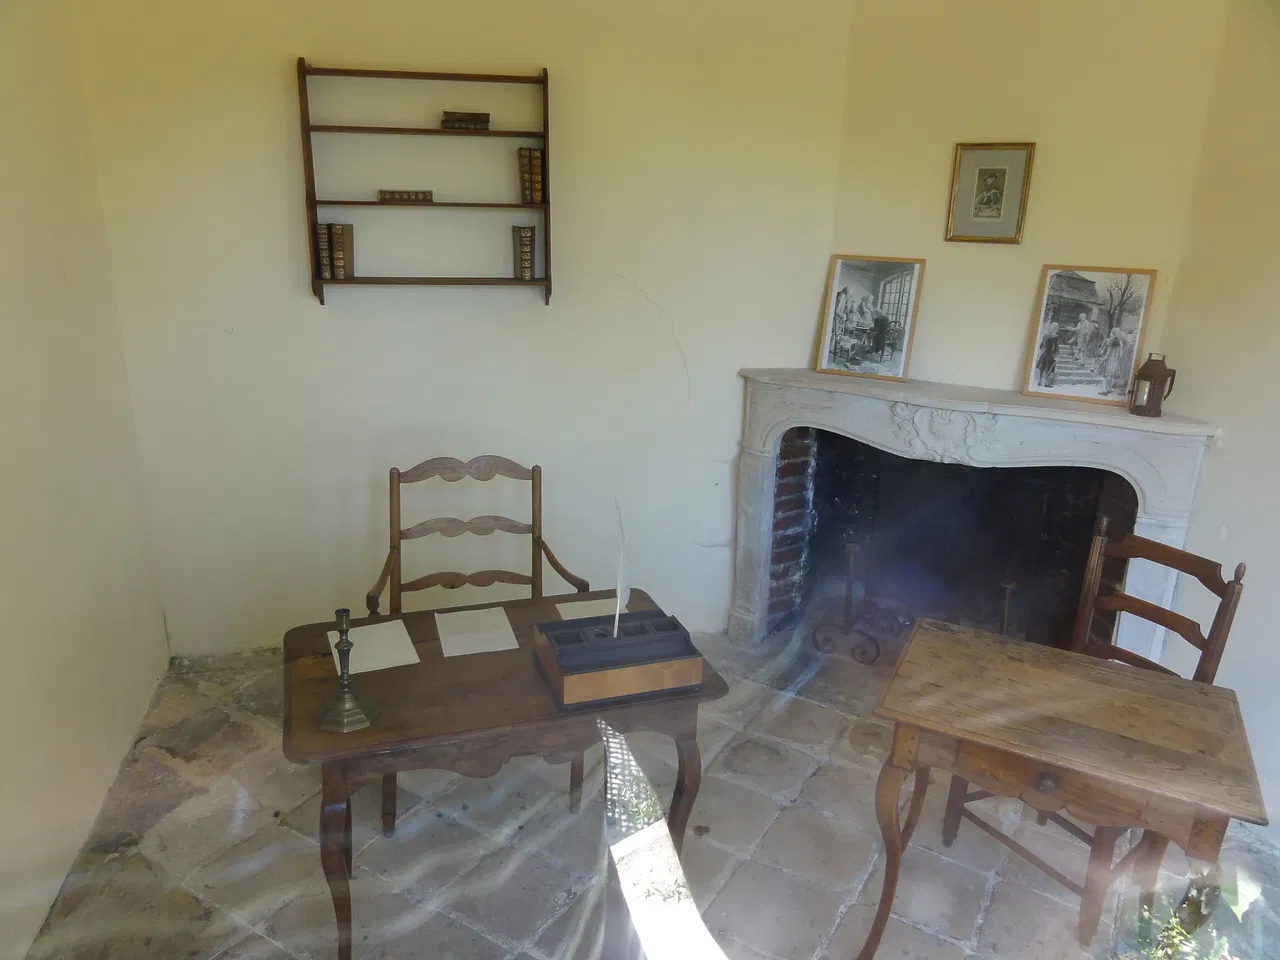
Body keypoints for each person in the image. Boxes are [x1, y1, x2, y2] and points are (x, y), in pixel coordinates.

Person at [1097, 327, 1130, 396]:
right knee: (1111, 375)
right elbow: (1121, 353)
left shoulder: (1109, 341)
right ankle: (1109, 388)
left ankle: (1105, 390)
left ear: (1112, 333)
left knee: (1105, 376)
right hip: (1116, 360)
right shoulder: (1120, 342)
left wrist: (1102, 355)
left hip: (1109, 359)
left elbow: (1105, 352)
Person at [1035, 321, 1059, 387]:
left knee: (1042, 368)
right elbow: (1056, 347)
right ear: (1055, 329)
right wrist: (1057, 355)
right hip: (1051, 355)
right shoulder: (1055, 337)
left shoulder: (1045, 336)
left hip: (1044, 354)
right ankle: (1046, 383)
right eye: (1057, 328)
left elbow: (1041, 346)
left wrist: (1043, 350)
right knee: (1049, 369)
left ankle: (1040, 381)